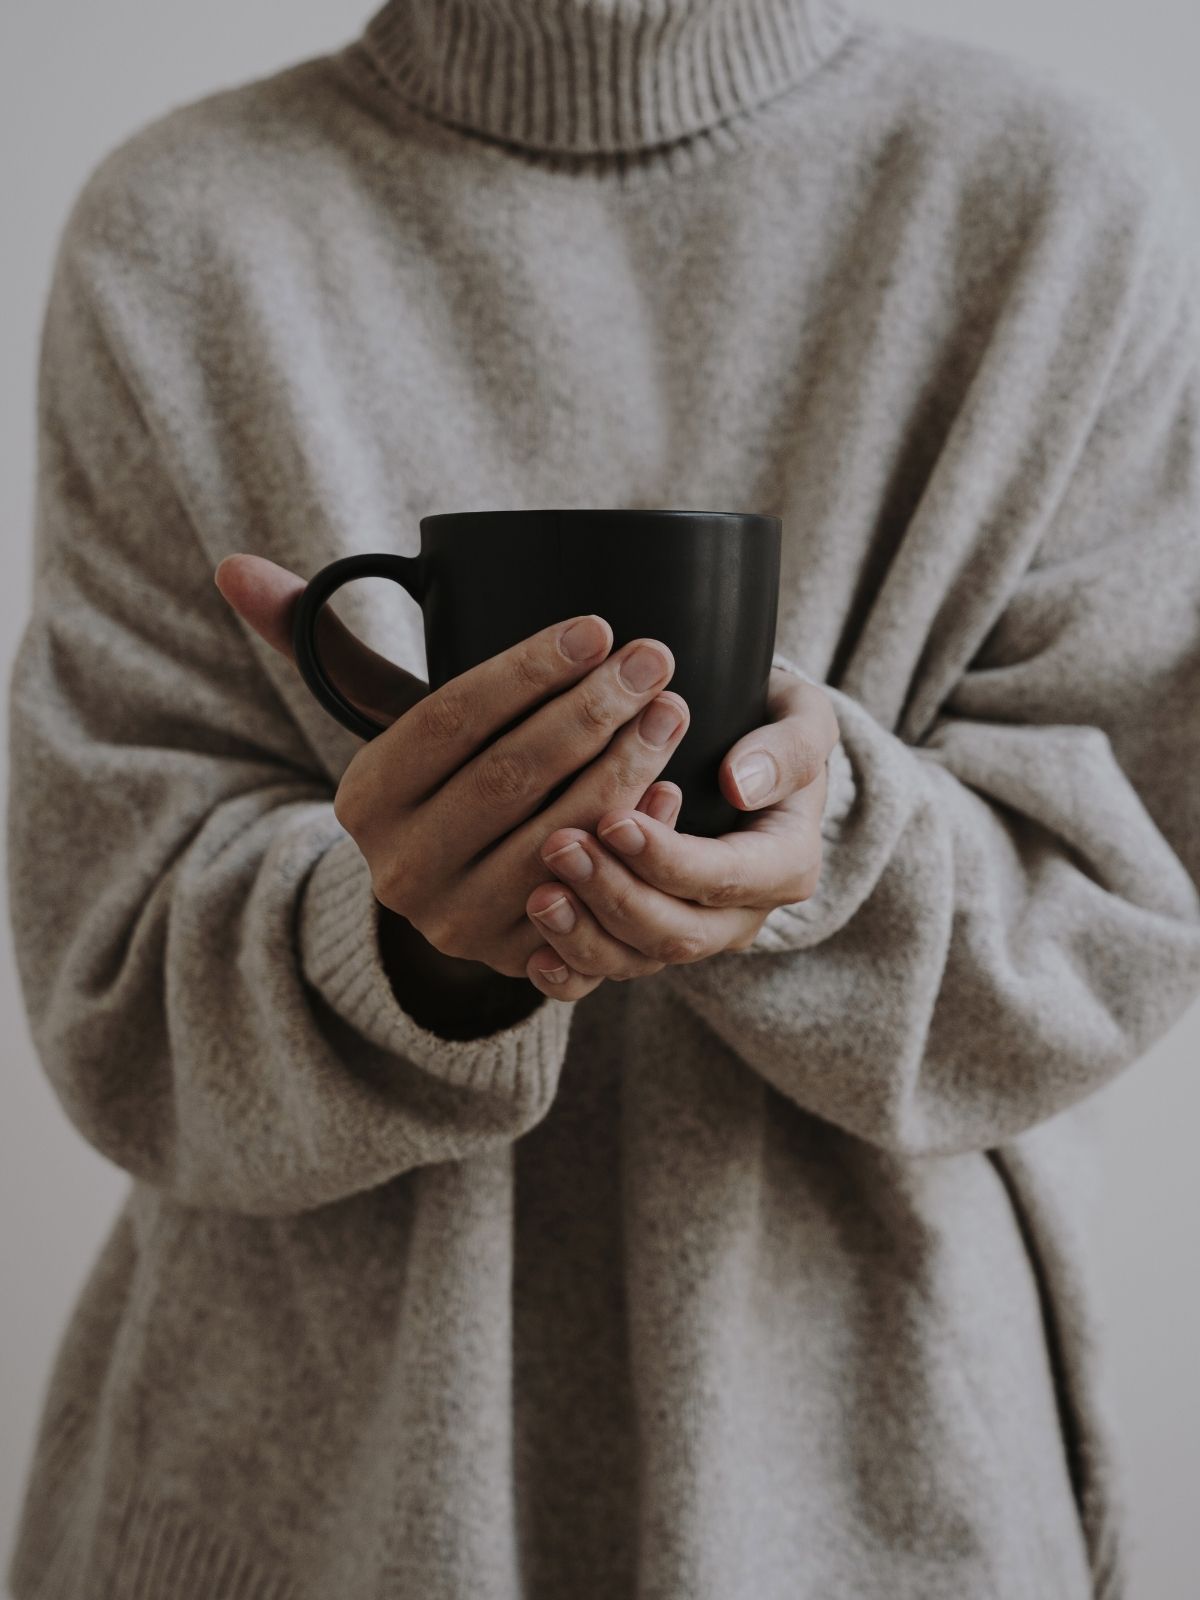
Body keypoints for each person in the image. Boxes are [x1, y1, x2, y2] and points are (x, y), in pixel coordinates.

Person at [7, 1, 1200, 1596]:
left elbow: (1127, 895)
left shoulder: (1060, 206)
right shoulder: (178, 232)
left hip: (886, 1499)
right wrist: (402, 941)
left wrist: (826, 846)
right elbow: (110, 973)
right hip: (303, 1515)